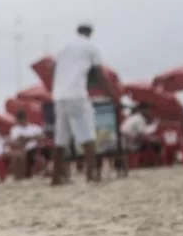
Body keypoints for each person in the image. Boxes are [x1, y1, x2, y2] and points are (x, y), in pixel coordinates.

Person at [50, 24, 120, 185]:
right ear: (89, 33)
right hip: (77, 95)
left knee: (61, 138)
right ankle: (91, 174)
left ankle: (56, 177)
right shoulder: (90, 47)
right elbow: (100, 75)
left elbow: (52, 68)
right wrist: (113, 96)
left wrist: (60, 84)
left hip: (59, 96)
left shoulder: (64, 47)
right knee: (87, 134)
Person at [8, 110, 45, 180]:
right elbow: (16, 141)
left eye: (22, 119)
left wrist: (27, 138)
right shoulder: (15, 129)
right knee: (19, 154)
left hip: (35, 148)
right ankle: (20, 174)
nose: (22, 121)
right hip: (23, 149)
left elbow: (42, 137)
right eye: (20, 119)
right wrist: (33, 137)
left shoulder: (34, 127)